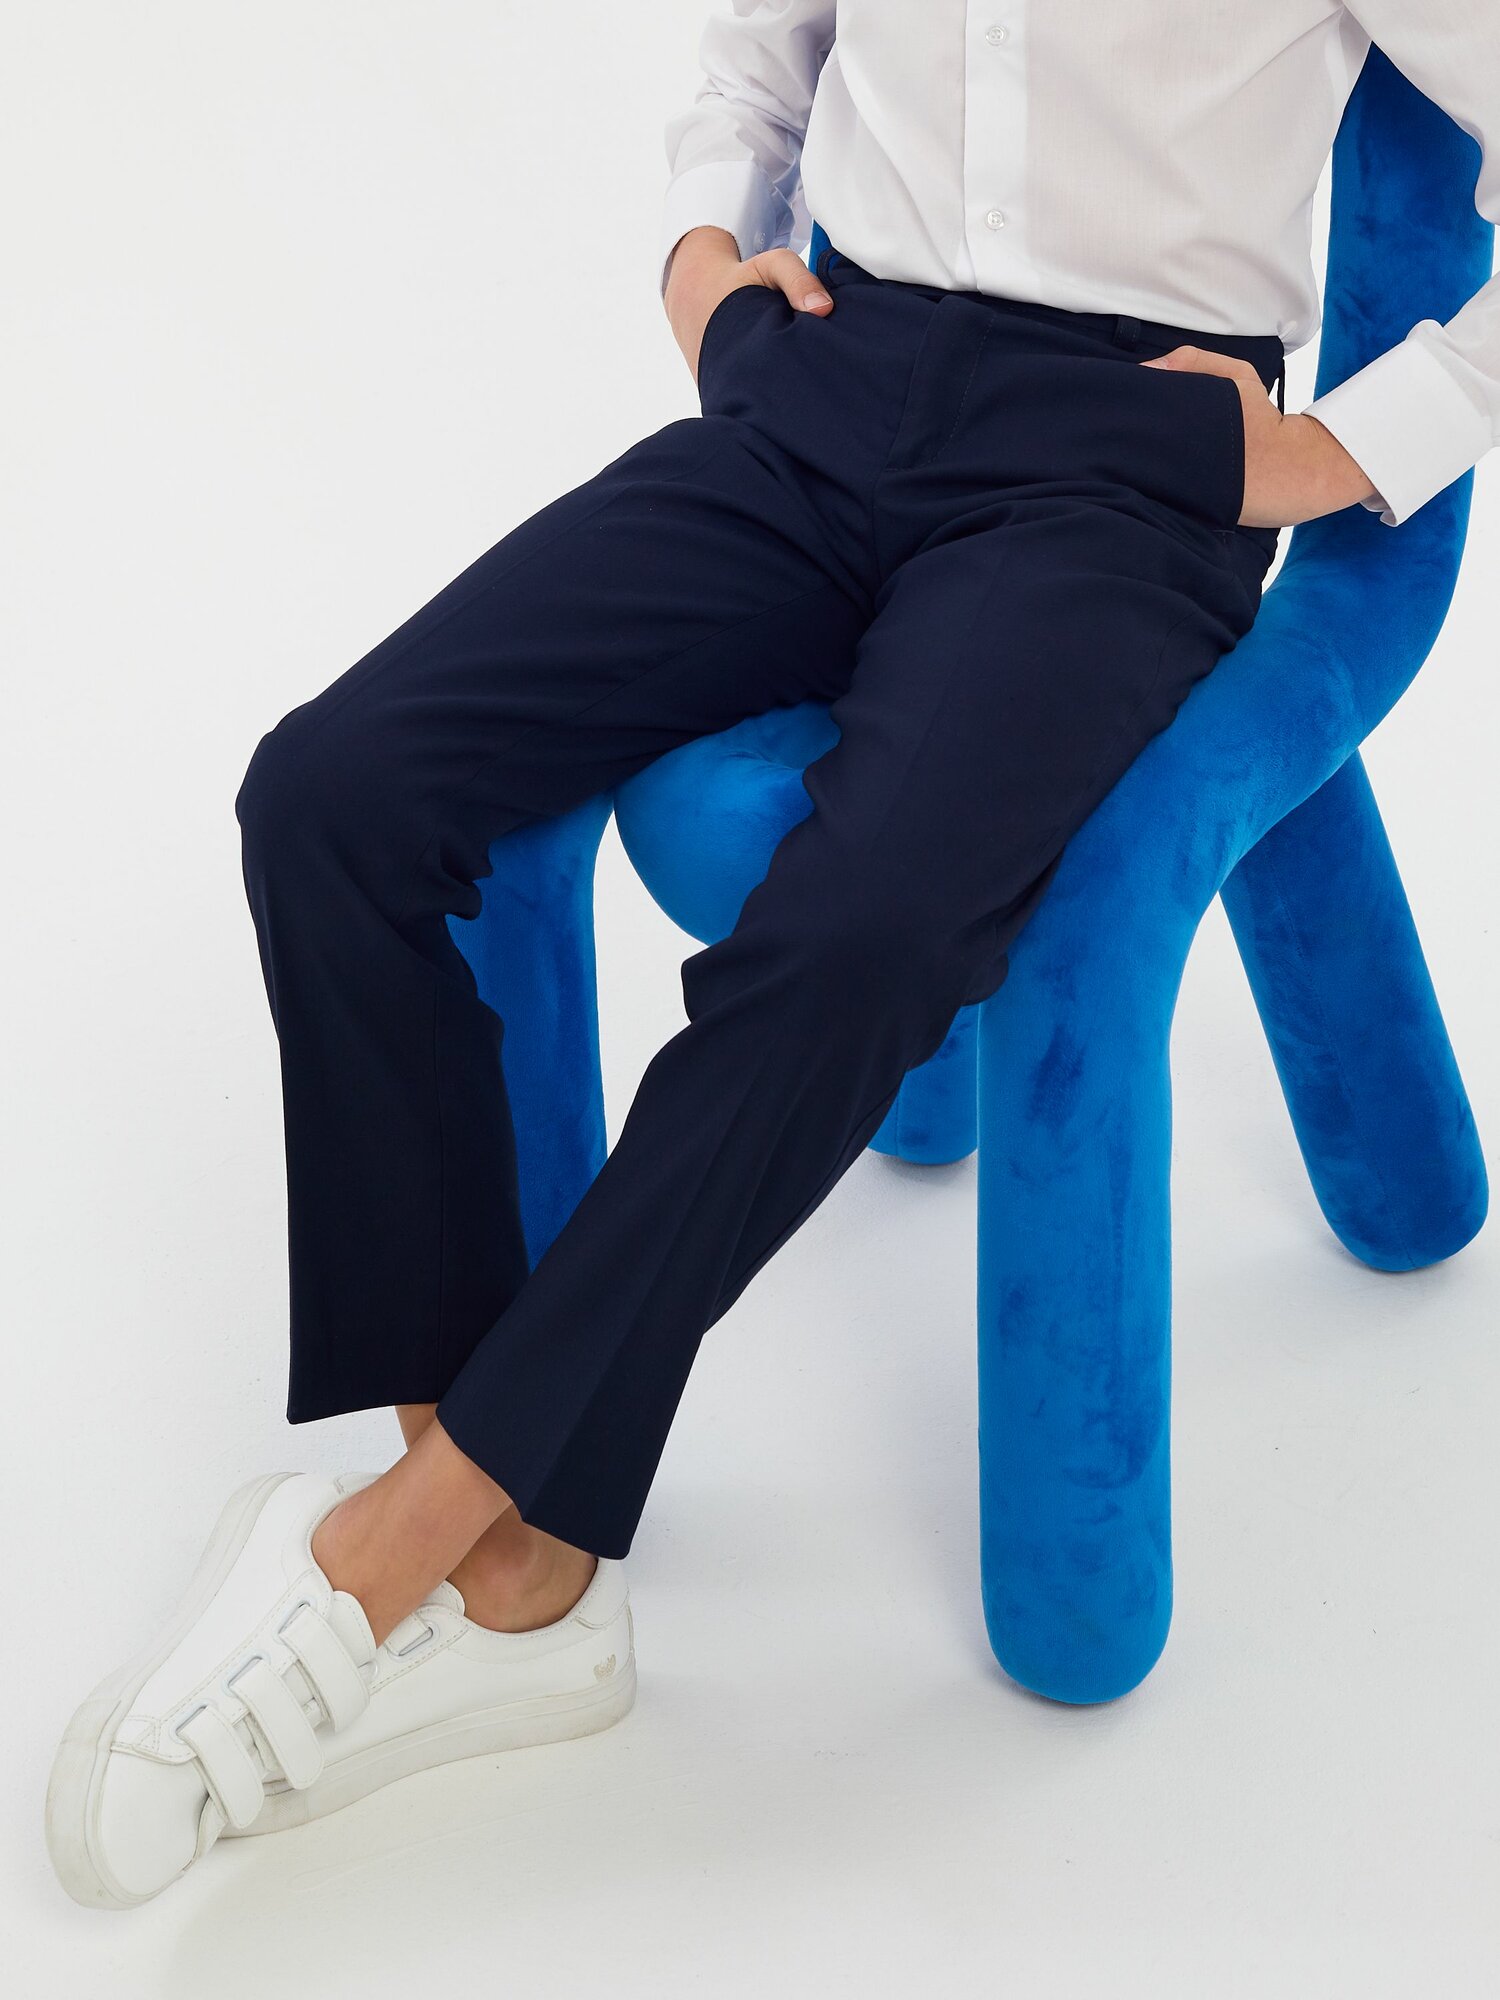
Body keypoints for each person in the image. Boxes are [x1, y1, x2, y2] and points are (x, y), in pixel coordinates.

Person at [47, 1, 1499, 1910]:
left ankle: (392, 1556)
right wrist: (700, 261)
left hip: (1120, 464)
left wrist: (1341, 446)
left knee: (863, 939)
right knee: (334, 795)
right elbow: (766, 50)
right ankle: (509, 1565)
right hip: (820, 384)